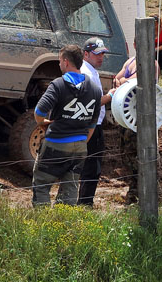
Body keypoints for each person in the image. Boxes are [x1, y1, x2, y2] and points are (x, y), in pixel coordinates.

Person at [32, 45, 102, 207]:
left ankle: (41, 219)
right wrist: (82, 141)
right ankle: (65, 220)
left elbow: (39, 111)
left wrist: (42, 123)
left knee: (41, 185)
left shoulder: (58, 85)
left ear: (65, 62)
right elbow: (93, 123)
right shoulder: (95, 89)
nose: (59, 64)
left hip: (56, 144)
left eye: (59, 61)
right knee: (70, 189)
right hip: (80, 147)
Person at [112, 40, 160, 204]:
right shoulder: (130, 61)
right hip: (126, 115)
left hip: (140, 119)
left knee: (139, 156)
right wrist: (123, 81)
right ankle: (134, 191)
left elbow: (132, 81)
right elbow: (116, 79)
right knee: (126, 156)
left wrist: (123, 82)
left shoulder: (151, 64)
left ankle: (141, 195)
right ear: (134, 45)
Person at [77, 38, 113, 207]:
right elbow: (94, 102)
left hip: (89, 123)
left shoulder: (89, 71)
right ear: (86, 54)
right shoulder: (88, 74)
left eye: (103, 54)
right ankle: (85, 204)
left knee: (89, 166)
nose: (101, 57)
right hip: (92, 125)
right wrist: (111, 95)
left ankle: (83, 202)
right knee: (92, 167)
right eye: (97, 54)